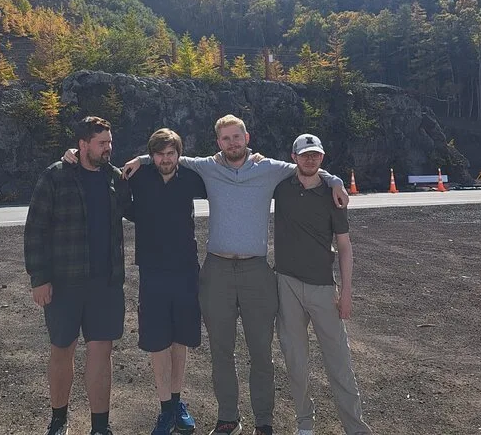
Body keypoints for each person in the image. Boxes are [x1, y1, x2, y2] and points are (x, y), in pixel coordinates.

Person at [123, 115, 349, 435]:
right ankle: (228, 417)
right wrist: (141, 159)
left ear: (247, 137)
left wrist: (335, 180)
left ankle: (263, 421)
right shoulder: (208, 167)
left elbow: (306, 167)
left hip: (256, 270)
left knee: (261, 353)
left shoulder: (268, 168)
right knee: (221, 352)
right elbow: (169, 156)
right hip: (217, 269)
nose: (232, 143)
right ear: (218, 142)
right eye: (226, 138)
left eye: (236, 137)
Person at [63, 128, 207, 435]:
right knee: (158, 341)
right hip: (152, 272)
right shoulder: (137, 177)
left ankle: (177, 403)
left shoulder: (192, 178)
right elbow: (99, 168)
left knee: (180, 340)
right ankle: (165, 407)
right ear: (152, 155)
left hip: (186, 271)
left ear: (178, 155)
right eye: (160, 154)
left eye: (171, 154)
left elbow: (219, 166)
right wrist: (72, 155)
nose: (166, 160)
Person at [24, 116, 133, 435]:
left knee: (102, 352)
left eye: (110, 142)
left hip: (106, 284)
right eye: (102, 143)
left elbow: (136, 210)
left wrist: (143, 162)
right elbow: (35, 229)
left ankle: (100, 426)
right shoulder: (55, 176)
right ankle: (59, 420)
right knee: (62, 350)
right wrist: (39, 277)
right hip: (64, 283)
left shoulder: (115, 178)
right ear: (83, 145)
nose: (108, 148)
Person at [273, 134, 372, 435]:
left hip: (323, 288)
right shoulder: (280, 186)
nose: (310, 159)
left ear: (322, 157)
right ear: (293, 157)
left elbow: (344, 246)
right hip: (286, 284)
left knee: (339, 362)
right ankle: (305, 423)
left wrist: (347, 293)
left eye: (315, 154)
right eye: (304, 154)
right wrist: (335, 178)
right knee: (296, 361)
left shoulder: (333, 196)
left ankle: (355, 428)